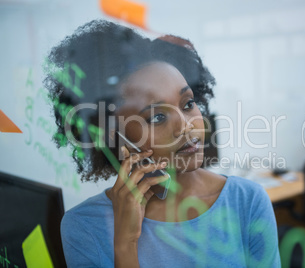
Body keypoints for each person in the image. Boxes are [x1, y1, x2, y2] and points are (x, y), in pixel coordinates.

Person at [44, 19, 280, 267]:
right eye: (157, 117)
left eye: (188, 103)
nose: (185, 126)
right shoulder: (84, 226)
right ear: (114, 137)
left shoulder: (247, 201)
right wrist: (125, 244)